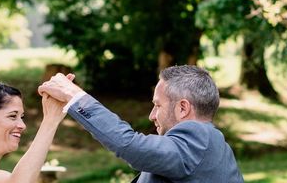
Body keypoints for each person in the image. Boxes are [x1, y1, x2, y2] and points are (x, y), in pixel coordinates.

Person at [38, 65, 244, 183]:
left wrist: (75, 96)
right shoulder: (206, 147)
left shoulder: (199, 137)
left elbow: (132, 146)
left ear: (183, 108)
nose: (151, 115)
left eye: (157, 105)